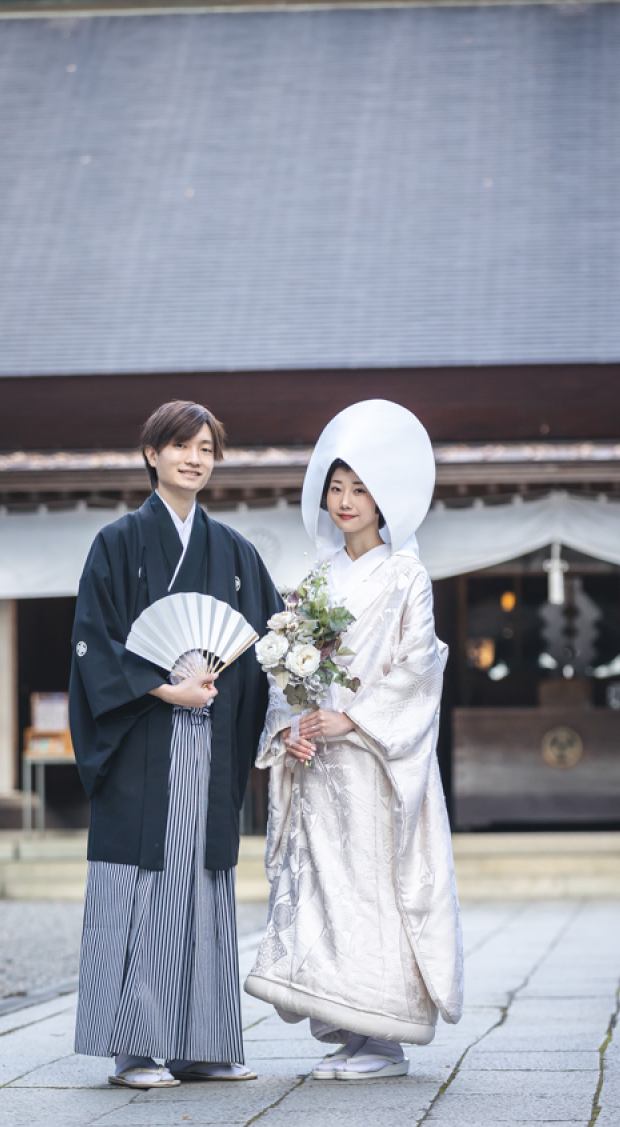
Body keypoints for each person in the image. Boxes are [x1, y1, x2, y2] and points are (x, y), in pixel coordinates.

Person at [245, 399, 464, 1080]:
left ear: (383, 498)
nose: (345, 501)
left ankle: (386, 1039)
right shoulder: (313, 579)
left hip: (373, 763)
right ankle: (349, 1027)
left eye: (360, 489)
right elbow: (287, 673)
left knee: (373, 886)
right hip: (321, 767)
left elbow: (419, 665)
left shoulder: (406, 576)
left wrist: (354, 718)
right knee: (326, 890)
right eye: (336, 487)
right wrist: (292, 728)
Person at [70, 400, 281, 1089]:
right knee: (144, 880)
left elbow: (268, 644)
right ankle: (135, 1046)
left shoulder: (237, 553)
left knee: (203, 881)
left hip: (211, 740)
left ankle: (202, 1042)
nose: (195, 458)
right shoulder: (119, 543)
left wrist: (290, 702)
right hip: (143, 742)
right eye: (182, 446)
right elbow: (93, 645)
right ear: (152, 454)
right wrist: (165, 687)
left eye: (207, 448)